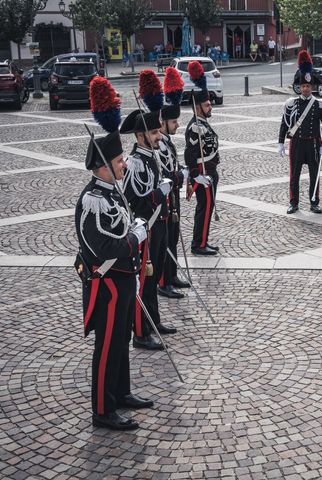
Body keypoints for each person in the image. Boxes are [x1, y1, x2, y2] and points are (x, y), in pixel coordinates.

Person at [78, 76, 153, 430]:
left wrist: (134, 224)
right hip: (106, 282)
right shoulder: (93, 200)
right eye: (119, 161)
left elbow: (120, 227)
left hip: (123, 280)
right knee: (106, 346)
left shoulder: (110, 194)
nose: (124, 166)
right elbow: (103, 247)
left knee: (121, 338)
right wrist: (136, 237)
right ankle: (102, 410)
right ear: (103, 166)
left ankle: (120, 393)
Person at [121, 100, 177, 351]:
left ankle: (153, 322)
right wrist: (158, 193)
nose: (158, 137)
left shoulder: (151, 156)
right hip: (148, 228)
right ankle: (141, 333)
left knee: (154, 280)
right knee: (144, 282)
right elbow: (132, 200)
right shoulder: (134, 162)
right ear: (141, 135)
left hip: (160, 225)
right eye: (154, 133)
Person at [278, 50, 322, 214]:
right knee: (294, 175)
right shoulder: (291, 104)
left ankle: (314, 202)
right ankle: (294, 203)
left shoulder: (319, 104)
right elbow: (284, 124)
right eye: (303, 86)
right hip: (297, 143)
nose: (306, 89)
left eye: (308, 86)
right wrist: (280, 142)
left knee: (315, 175)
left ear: (312, 87)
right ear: (299, 87)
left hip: (314, 143)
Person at [157, 67, 190, 299]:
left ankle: (172, 274)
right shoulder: (159, 144)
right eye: (174, 121)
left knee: (174, 234)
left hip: (173, 196)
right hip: (165, 197)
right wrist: (180, 176)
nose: (178, 125)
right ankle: (163, 281)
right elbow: (165, 172)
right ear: (164, 122)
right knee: (165, 239)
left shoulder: (167, 142)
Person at [184, 60, 220, 255]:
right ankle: (198, 245)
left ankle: (203, 240)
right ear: (197, 107)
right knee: (204, 210)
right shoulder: (195, 126)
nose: (210, 107)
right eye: (207, 105)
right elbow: (190, 154)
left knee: (207, 209)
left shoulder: (203, 123)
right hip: (204, 174)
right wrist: (196, 174)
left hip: (210, 172)